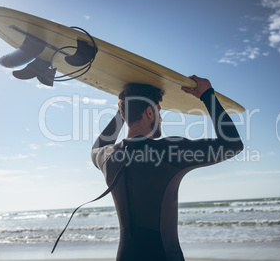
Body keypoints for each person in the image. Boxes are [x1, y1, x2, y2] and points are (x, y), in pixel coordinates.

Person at [91, 75, 243, 261]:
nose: (161, 118)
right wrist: (207, 95)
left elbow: (97, 147)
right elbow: (232, 144)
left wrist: (125, 111)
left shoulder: (106, 156)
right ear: (149, 113)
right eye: (159, 111)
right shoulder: (168, 151)